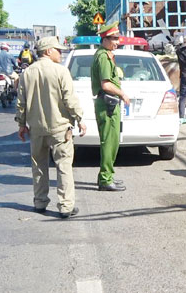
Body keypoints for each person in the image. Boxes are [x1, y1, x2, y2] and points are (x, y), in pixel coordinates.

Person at [15, 37, 87, 219]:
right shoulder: (61, 71)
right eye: (57, 50)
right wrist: (80, 118)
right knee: (63, 166)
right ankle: (65, 206)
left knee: (38, 166)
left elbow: (21, 103)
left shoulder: (27, 73)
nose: (60, 53)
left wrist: (21, 124)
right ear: (48, 51)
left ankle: (39, 202)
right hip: (60, 128)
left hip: (37, 128)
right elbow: (69, 99)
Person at [91, 21, 129, 192]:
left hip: (109, 103)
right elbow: (106, 84)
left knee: (112, 142)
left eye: (117, 38)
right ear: (105, 39)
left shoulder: (105, 55)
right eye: (114, 38)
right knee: (109, 142)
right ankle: (106, 179)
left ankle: (107, 176)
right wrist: (122, 94)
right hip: (108, 103)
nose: (117, 41)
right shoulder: (103, 57)